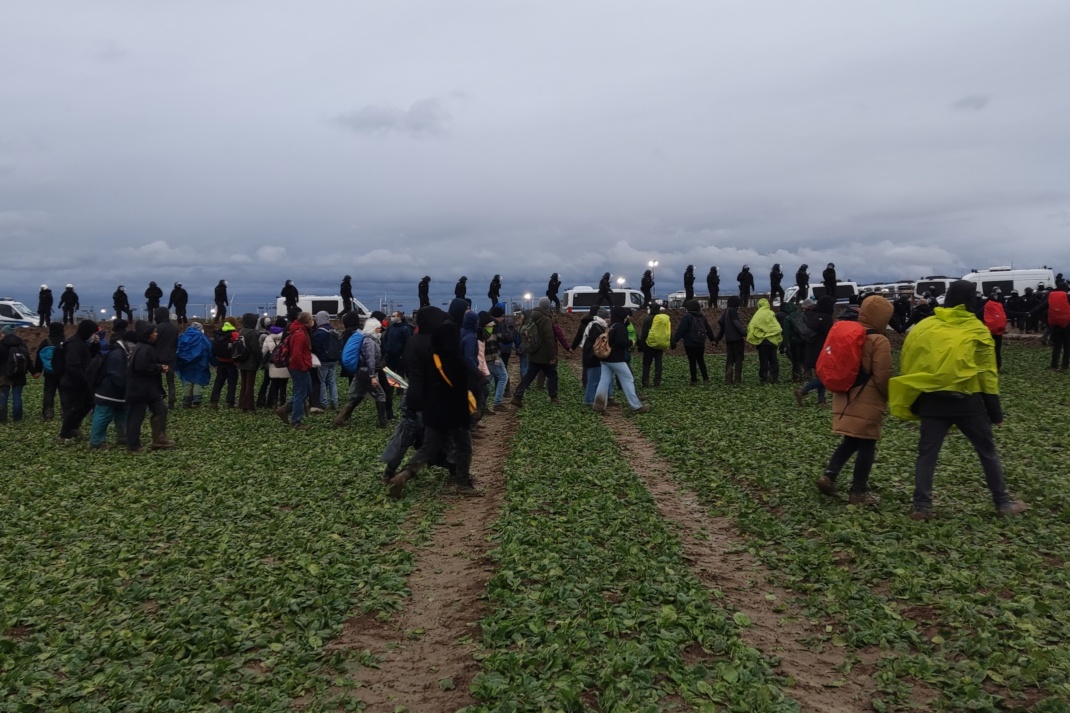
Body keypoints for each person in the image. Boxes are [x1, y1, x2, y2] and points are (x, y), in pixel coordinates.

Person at [889, 280, 1027, 520]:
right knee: (986, 451)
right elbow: (987, 374)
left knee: (927, 454)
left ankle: (922, 507)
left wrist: (916, 399)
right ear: (971, 300)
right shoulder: (976, 329)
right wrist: (995, 413)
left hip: (932, 402)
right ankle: (1002, 503)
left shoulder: (925, 326)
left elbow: (910, 360)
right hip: (968, 403)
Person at [387, 306, 478, 498]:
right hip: (449, 403)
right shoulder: (439, 346)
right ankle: (462, 482)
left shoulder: (413, 340)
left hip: (425, 400)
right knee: (463, 444)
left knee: (429, 445)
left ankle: (403, 474)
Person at [814, 296, 894, 506]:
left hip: (845, 394)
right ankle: (858, 491)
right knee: (867, 443)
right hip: (867, 398)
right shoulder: (879, 340)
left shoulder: (850, 333)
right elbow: (882, 375)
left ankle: (829, 475)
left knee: (850, 440)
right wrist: (890, 395)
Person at [126, 320, 175, 452]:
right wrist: (159, 368)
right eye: (154, 332)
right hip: (139, 389)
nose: (156, 334)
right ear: (148, 334)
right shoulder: (142, 348)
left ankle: (159, 439)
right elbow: (141, 367)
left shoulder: (148, 347)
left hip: (150, 389)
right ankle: (134, 445)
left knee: (161, 410)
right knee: (136, 417)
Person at [593, 306, 649, 414]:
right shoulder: (620, 327)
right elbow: (621, 342)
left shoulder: (611, 326)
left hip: (605, 358)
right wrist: (630, 343)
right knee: (628, 379)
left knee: (604, 381)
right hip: (617, 359)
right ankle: (636, 406)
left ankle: (598, 405)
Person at [510, 297, 560, 407]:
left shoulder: (531, 315)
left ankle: (517, 396)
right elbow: (549, 339)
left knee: (529, 376)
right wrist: (552, 357)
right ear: (548, 307)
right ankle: (554, 397)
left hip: (533, 352)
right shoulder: (546, 319)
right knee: (553, 375)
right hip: (544, 355)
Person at [88, 326, 133, 449]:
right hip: (109, 392)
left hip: (114, 392)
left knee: (121, 414)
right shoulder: (117, 354)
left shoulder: (114, 351)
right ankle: (96, 442)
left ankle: (123, 437)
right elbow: (116, 374)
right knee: (103, 416)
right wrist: (125, 386)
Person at [58, 319, 101, 443]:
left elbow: (90, 357)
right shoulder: (74, 344)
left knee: (87, 404)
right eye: (93, 333)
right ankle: (65, 433)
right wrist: (84, 379)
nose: (94, 335)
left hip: (81, 381)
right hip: (73, 383)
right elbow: (72, 366)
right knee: (74, 408)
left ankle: (74, 428)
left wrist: (95, 345)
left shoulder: (81, 342)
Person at [276, 311, 314, 430]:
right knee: (300, 394)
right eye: (311, 319)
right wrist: (303, 366)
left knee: (307, 390)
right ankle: (296, 421)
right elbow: (297, 354)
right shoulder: (300, 334)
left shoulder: (298, 331)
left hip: (300, 366)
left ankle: (285, 409)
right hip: (298, 367)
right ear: (307, 321)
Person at [796, 296, 835, 405]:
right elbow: (829, 335)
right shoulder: (826, 317)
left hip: (812, 349)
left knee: (820, 375)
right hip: (821, 350)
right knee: (824, 377)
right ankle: (803, 390)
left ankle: (821, 400)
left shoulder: (815, 315)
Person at [672, 300, 714, 385]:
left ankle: (694, 380)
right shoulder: (702, 316)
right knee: (701, 360)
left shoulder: (687, 317)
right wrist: (713, 339)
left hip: (689, 343)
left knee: (692, 361)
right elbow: (708, 328)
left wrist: (675, 340)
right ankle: (706, 379)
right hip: (700, 343)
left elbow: (681, 330)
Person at [175, 322, 213, 407]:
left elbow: (177, 350)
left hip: (185, 362)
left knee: (188, 381)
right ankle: (196, 401)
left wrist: (177, 362)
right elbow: (208, 348)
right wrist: (213, 362)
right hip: (200, 362)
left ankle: (186, 401)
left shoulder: (183, 336)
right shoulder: (202, 337)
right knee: (197, 381)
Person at [33, 322, 66, 419]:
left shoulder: (45, 342)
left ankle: (48, 413)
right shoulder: (65, 341)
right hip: (63, 372)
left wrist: (38, 370)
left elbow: (39, 356)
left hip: (49, 372)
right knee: (64, 392)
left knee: (49, 392)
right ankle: (64, 412)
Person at [747, 298, 783, 384]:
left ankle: (764, 378)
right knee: (773, 360)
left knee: (763, 361)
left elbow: (752, 326)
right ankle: (774, 378)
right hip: (773, 341)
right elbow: (776, 327)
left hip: (762, 342)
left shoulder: (757, 314)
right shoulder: (771, 313)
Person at [0, 325, 31, 423]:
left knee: (3, 397)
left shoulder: (1, 344)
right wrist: (34, 372)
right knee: (17, 396)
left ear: (5, 334)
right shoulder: (21, 344)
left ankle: (2, 419)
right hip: (19, 374)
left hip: (4, 375)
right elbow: (28, 360)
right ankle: (17, 419)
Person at [310, 311, 339, 412]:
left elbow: (316, 347)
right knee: (332, 381)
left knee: (322, 382)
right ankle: (335, 402)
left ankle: (324, 403)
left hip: (323, 360)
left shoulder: (319, 332)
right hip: (334, 359)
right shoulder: (333, 330)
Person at [714, 296, 745, 384]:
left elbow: (722, 328)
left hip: (729, 339)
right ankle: (737, 379)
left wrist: (717, 340)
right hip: (737, 339)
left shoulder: (726, 311)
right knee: (739, 358)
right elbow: (737, 324)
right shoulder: (732, 311)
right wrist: (745, 333)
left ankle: (728, 378)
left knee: (730, 358)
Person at [261, 317, 290, 408]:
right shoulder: (287, 336)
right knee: (283, 385)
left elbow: (264, 351)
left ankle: (273, 403)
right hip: (284, 363)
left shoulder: (269, 337)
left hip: (273, 364)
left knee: (274, 384)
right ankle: (282, 403)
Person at [236, 312, 262, 411]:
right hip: (251, 362)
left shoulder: (241, 331)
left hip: (242, 360)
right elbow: (255, 349)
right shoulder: (253, 333)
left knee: (243, 384)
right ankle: (249, 405)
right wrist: (260, 360)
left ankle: (242, 404)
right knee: (250, 385)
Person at [154, 307, 179, 408]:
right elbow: (176, 343)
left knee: (156, 381)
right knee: (171, 382)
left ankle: (158, 400)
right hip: (171, 357)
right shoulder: (174, 328)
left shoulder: (157, 328)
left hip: (157, 358)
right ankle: (171, 402)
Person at [638, 303, 669, 388]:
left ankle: (645, 381)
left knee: (646, 364)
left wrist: (641, 344)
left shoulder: (648, 319)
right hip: (660, 344)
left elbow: (644, 333)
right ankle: (657, 382)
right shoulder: (663, 319)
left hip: (649, 345)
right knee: (658, 363)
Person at [982, 290, 1008, 371]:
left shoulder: (986, 306)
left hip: (989, 330)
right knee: (998, 349)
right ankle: (998, 366)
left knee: (988, 349)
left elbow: (979, 314)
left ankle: (989, 366)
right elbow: (1007, 313)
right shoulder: (1000, 306)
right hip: (999, 331)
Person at [1047, 283, 1070, 371]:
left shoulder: (1052, 298)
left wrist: (1029, 313)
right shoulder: (1068, 297)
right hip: (1067, 325)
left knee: (1057, 347)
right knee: (1067, 347)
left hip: (1055, 326)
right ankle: (1064, 366)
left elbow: (1042, 306)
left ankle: (1054, 365)